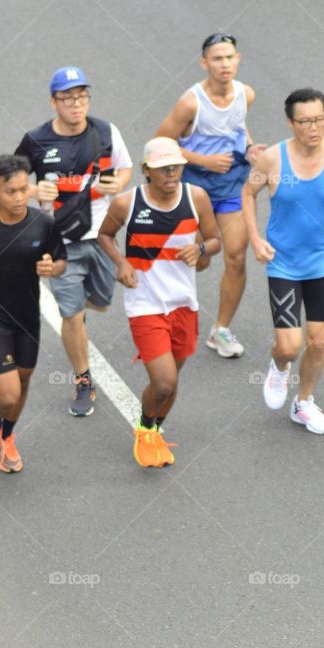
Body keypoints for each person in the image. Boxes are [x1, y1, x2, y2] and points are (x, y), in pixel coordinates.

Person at [243, 90, 324, 435]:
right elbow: (248, 194)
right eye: (305, 121)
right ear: (290, 123)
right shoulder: (272, 159)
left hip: (321, 262)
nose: (313, 128)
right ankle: (279, 365)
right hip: (282, 262)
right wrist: (255, 238)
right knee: (289, 346)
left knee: (318, 340)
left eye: (319, 120)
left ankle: (304, 403)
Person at [15, 65, 132, 416]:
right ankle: (83, 379)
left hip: (103, 237)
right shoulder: (36, 140)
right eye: (68, 98)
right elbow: (12, 181)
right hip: (59, 239)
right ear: (54, 102)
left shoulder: (106, 131)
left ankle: (81, 316)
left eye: (81, 96)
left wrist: (119, 183)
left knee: (100, 300)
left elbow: (125, 168)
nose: (76, 104)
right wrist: (34, 189)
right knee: (72, 313)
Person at [98, 137, 221, 468]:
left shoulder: (196, 198)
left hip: (184, 303)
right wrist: (121, 262)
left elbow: (214, 239)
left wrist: (202, 249)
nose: (171, 173)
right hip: (145, 303)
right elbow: (105, 235)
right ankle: (144, 427)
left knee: (172, 381)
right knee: (164, 380)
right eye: (163, 168)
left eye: (176, 166)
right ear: (146, 171)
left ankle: (153, 429)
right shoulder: (127, 203)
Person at [155, 33, 264, 358]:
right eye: (217, 58)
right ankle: (164, 312)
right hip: (195, 188)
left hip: (232, 185)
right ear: (205, 63)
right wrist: (204, 161)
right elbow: (160, 144)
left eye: (229, 57)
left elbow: (240, 129)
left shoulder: (246, 94)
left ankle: (221, 330)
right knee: (199, 260)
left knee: (235, 255)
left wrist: (249, 149)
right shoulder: (191, 102)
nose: (225, 64)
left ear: (238, 58)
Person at [0, 155, 67, 474]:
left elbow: (61, 260)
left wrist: (52, 268)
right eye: (11, 192)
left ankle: (8, 436)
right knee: (8, 393)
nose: (19, 197)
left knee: (23, 380)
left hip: (27, 314)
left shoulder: (42, 222)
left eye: (23, 189)